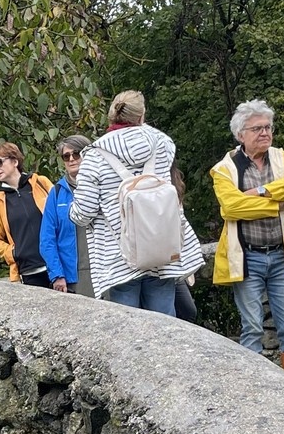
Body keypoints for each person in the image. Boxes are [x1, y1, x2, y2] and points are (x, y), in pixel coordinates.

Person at [73, 90, 205, 312]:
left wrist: (73, 212)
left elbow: (84, 212)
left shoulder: (94, 155)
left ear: (111, 115)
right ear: (142, 114)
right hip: (162, 246)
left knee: (128, 323)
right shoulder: (163, 143)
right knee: (165, 321)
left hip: (119, 256)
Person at [211, 100, 284, 372]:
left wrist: (261, 192)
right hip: (247, 258)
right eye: (257, 129)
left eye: (268, 127)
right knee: (252, 327)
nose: (265, 133)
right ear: (240, 135)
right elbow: (231, 207)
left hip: (281, 255)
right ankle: (251, 384)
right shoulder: (225, 168)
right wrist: (278, 203)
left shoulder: (283, 159)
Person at [0, 143, 56, 286]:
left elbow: (61, 216)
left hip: (57, 265)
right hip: (30, 273)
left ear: (15, 161)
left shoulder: (41, 183)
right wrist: (13, 252)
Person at [40, 136, 90, 293]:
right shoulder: (56, 193)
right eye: (66, 156)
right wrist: (57, 275)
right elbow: (47, 239)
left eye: (76, 153)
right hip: (72, 277)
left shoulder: (104, 186)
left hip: (105, 271)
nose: (71, 159)